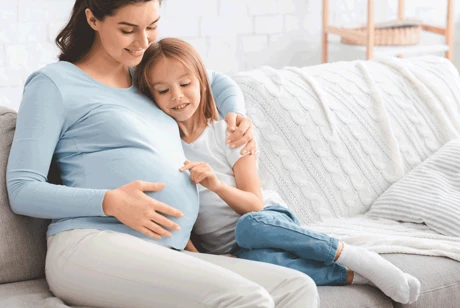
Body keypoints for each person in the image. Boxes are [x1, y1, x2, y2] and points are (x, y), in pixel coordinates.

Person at [6, 0, 319, 308]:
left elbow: (214, 80)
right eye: (128, 29)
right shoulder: (54, 85)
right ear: (93, 18)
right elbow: (22, 190)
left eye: (152, 25)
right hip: (91, 242)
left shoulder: (148, 76)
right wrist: (110, 202)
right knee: (246, 299)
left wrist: (236, 115)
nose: (143, 42)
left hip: (166, 251)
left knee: (297, 288)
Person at [135, 37, 422, 305]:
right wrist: (206, 259)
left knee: (249, 228)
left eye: (185, 84)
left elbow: (254, 204)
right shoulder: (166, 148)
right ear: (151, 96)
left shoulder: (229, 133)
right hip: (233, 249)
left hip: (267, 221)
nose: (177, 96)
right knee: (256, 261)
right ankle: (354, 276)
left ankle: (357, 257)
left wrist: (216, 185)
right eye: (163, 90)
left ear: (202, 82)